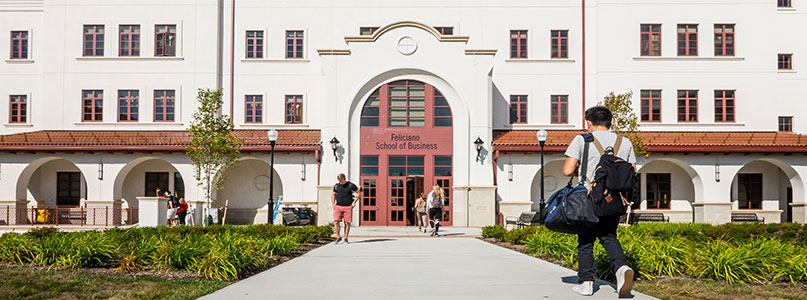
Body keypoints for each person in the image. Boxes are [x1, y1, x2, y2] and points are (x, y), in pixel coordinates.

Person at [562, 106, 636, 297]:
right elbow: (632, 171)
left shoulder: (582, 139)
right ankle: (621, 269)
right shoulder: (624, 142)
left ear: (589, 122)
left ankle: (586, 282)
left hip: (589, 198)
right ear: (610, 123)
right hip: (614, 200)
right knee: (609, 236)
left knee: (586, 241)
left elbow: (567, 171)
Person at [332, 173, 360, 244]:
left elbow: (358, 193)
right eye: (339, 181)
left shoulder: (350, 185)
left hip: (348, 207)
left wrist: (354, 202)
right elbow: (333, 194)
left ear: (344, 179)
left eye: (341, 180)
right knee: (336, 221)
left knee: (347, 223)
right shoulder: (336, 186)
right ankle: (338, 237)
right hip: (338, 206)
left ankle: (346, 238)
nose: (340, 182)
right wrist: (333, 204)